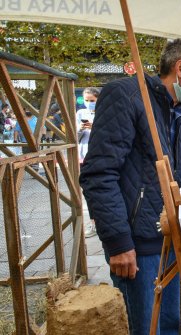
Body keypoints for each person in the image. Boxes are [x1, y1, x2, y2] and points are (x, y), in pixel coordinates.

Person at [79, 39, 181, 335]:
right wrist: (118, 241)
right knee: (147, 327)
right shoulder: (128, 96)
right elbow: (99, 173)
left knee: (170, 325)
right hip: (136, 244)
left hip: (172, 239)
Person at [76, 87, 100, 238]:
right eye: (87, 100)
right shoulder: (80, 114)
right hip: (84, 156)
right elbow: (73, 137)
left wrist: (95, 127)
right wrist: (80, 128)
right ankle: (94, 223)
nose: (89, 103)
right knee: (88, 191)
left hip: (100, 155)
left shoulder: (104, 112)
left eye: (92, 101)